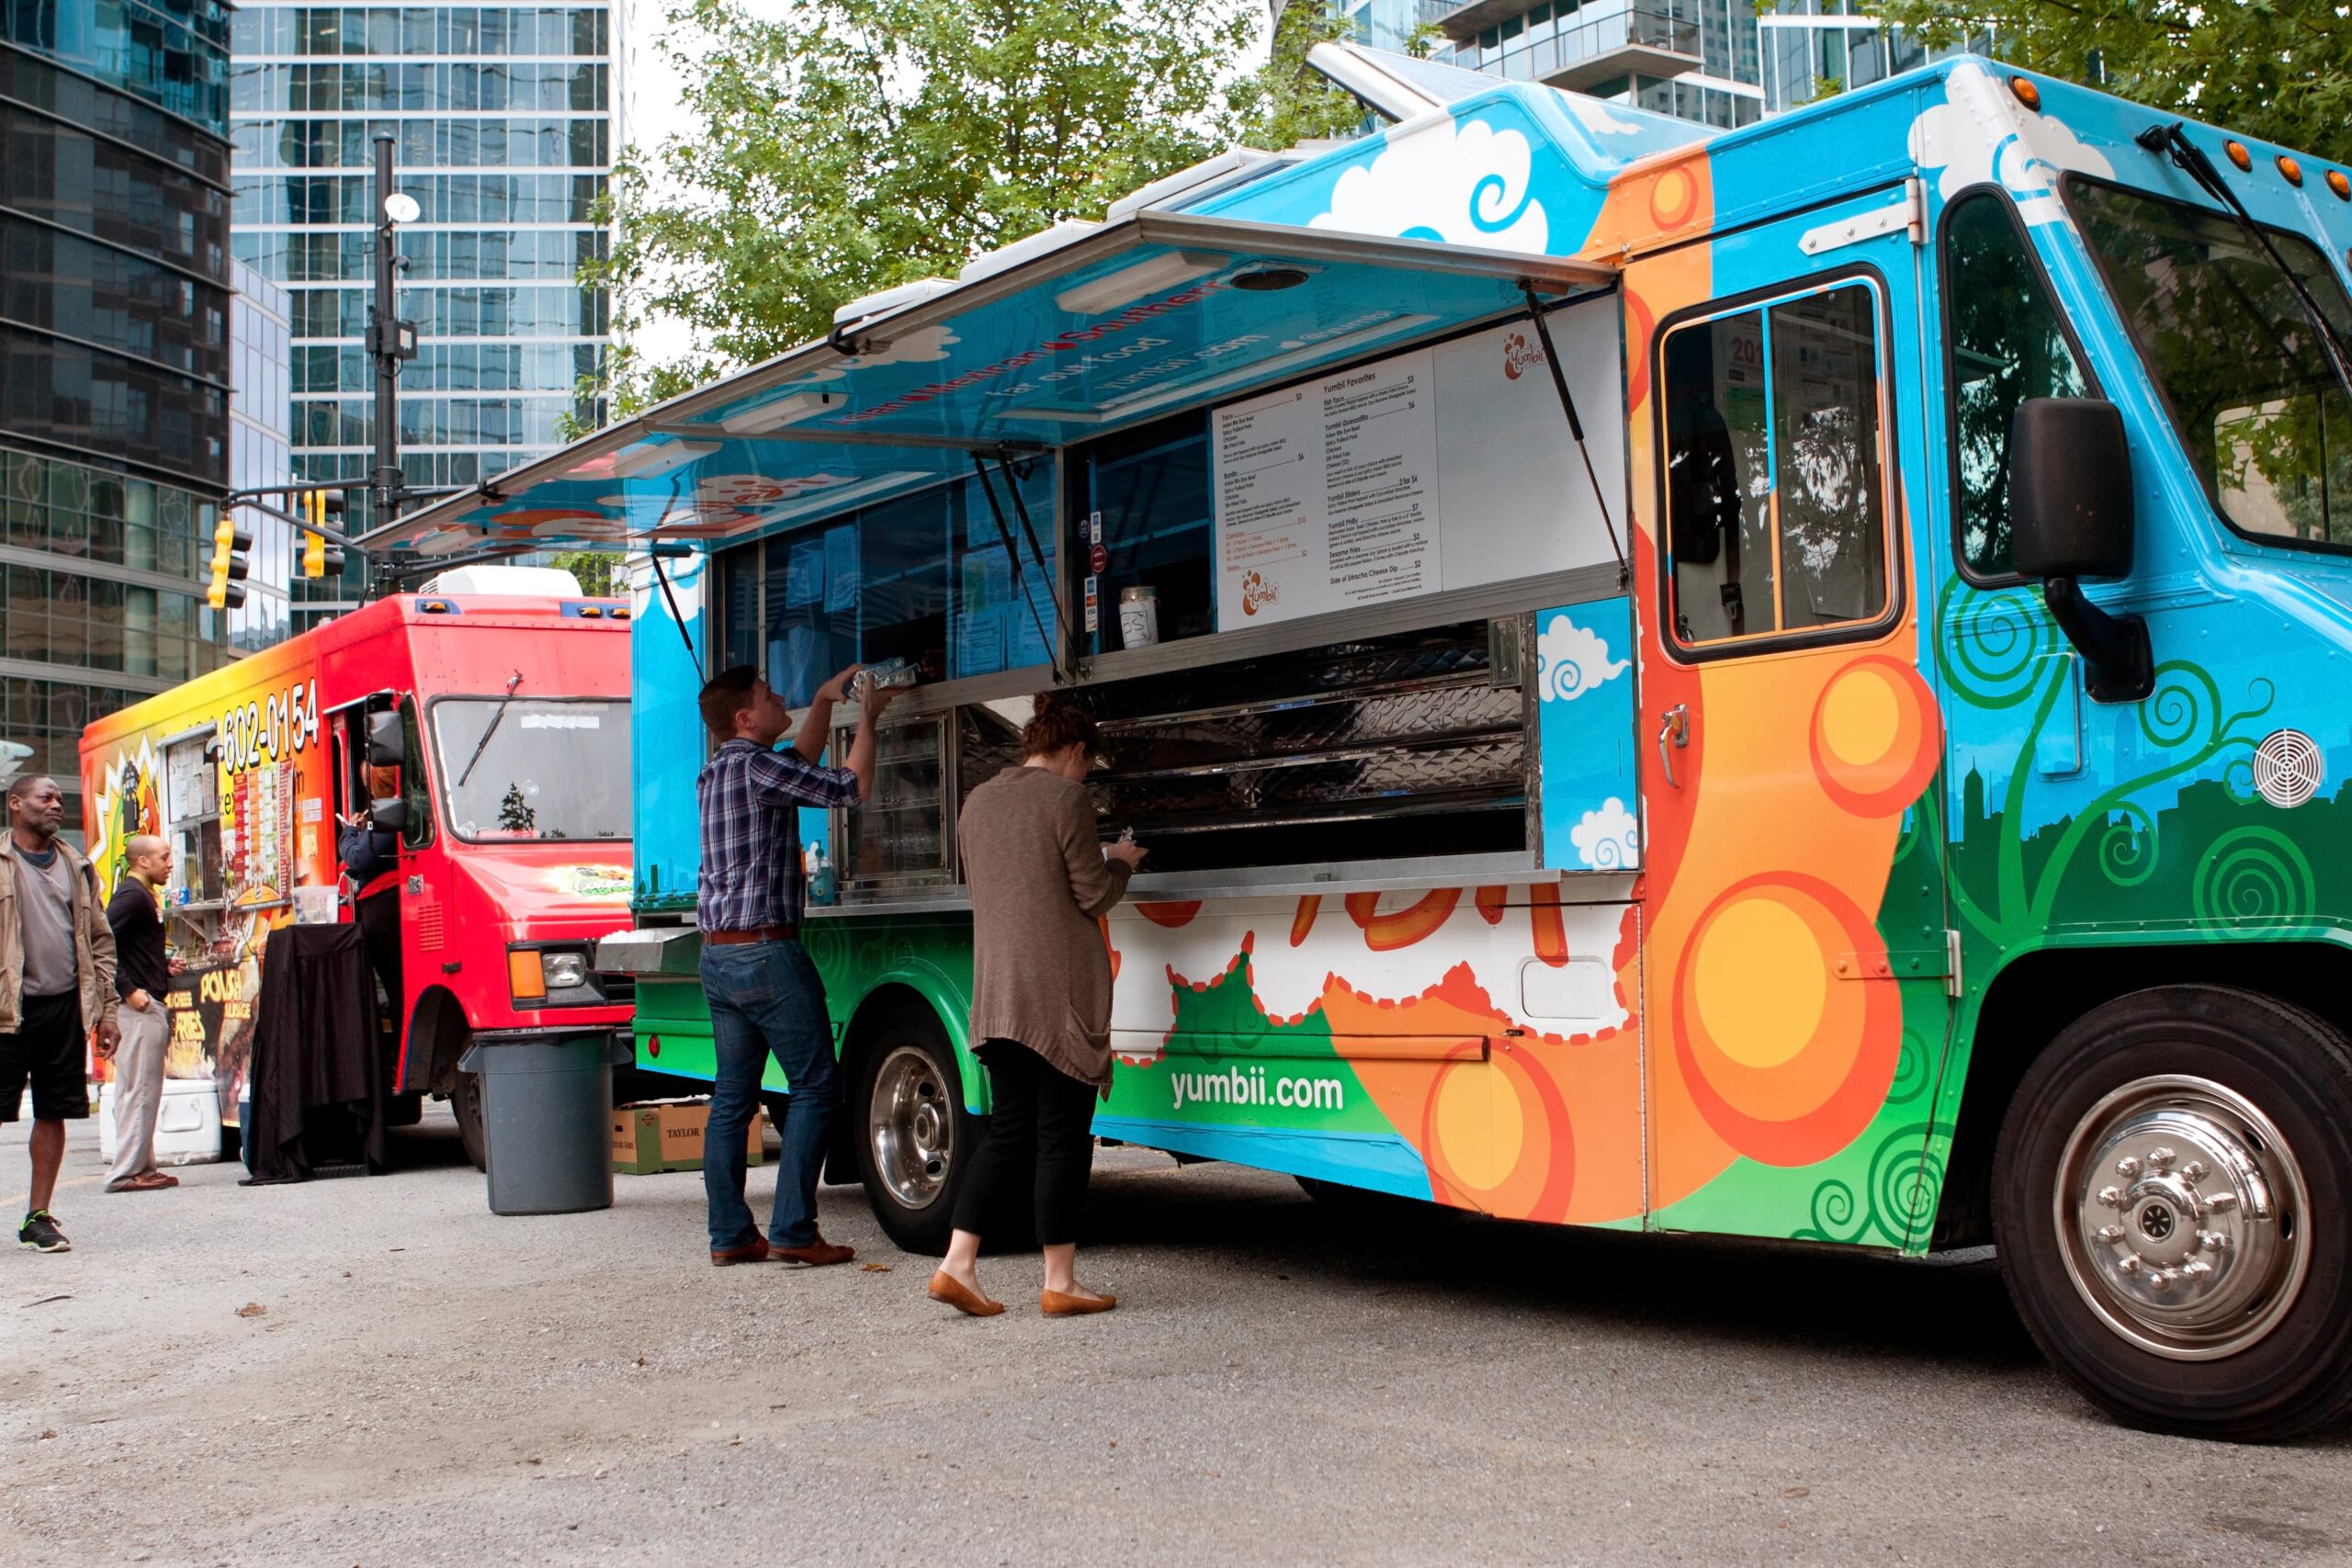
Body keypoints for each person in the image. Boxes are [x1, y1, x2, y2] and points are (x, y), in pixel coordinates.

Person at [927, 694, 1146, 1318]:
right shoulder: (1065, 799)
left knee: (1008, 1135)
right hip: (1057, 999)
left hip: (999, 995)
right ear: (1074, 749)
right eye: (1088, 763)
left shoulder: (978, 801)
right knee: (1062, 1140)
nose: (1086, 776)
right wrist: (1121, 862)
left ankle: (958, 1262)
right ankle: (1059, 1280)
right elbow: (1093, 893)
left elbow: (1018, 884)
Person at [695, 663, 895, 1267]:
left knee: (732, 1097)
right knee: (815, 1085)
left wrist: (824, 699)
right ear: (744, 717)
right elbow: (848, 786)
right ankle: (793, 1228)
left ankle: (731, 1235)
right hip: (766, 951)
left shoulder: (719, 771)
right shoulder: (758, 766)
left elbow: (799, 761)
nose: (779, 697)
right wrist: (869, 716)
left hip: (719, 954)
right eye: (768, 694)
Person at [0, 775, 120, 1252]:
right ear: (15, 804)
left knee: (54, 1112)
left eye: (59, 798)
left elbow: (101, 942)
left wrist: (106, 1010)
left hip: (64, 1009)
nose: (56, 805)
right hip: (7, 1011)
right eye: (45, 798)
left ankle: (38, 1218)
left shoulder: (77, 866)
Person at [103, 834, 177, 1194]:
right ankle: (127, 1171)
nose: (170, 863)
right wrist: (128, 990)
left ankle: (142, 1167)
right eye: (163, 857)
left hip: (145, 998)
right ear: (142, 862)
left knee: (139, 1086)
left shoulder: (139, 895)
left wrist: (162, 966)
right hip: (140, 1007)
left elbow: (127, 947)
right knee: (141, 1088)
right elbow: (98, 939)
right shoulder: (132, 896)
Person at [340, 763, 403, 1021]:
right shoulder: (394, 812)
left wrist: (349, 832)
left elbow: (359, 857)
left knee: (395, 985)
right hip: (392, 904)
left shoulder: (389, 813)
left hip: (382, 908)